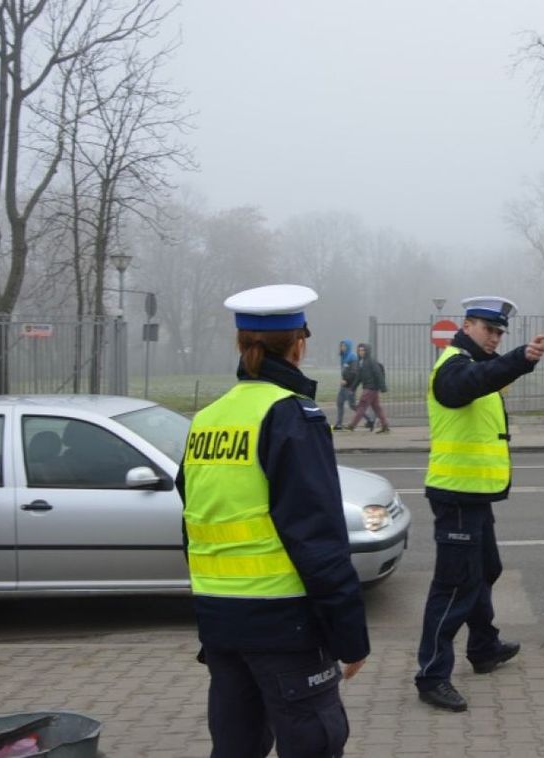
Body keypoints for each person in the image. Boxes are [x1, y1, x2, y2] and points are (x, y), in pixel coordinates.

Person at [176, 284, 369, 758]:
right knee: (314, 742)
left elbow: (193, 520)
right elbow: (317, 537)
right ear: (298, 343)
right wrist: (350, 636)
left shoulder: (207, 419)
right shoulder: (290, 415)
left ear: (242, 344)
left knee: (235, 747)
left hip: (220, 623)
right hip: (285, 625)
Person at [414, 295, 544, 712]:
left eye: (499, 333)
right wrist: (520, 358)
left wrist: (510, 363)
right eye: (489, 330)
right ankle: (432, 675)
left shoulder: (474, 367)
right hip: (455, 495)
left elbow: (486, 380)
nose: (494, 337)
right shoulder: (453, 367)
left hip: (473, 495)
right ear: (467, 325)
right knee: (455, 585)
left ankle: (485, 648)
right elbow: (471, 385)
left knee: (486, 569)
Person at [343, 342, 390, 433]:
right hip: (371, 389)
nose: (361, 352)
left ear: (367, 351)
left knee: (361, 406)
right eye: (359, 350)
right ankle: (385, 425)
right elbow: (358, 377)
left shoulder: (371, 362)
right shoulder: (362, 362)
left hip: (369, 389)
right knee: (377, 407)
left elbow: (378, 374)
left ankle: (352, 425)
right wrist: (353, 388)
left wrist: (383, 387)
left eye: (363, 350)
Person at [334, 338, 373, 431]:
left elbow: (354, 372)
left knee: (353, 405)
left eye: (344, 346)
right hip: (343, 385)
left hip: (350, 386)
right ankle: (339, 424)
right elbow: (345, 371)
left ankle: (370, 420)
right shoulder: (343, 356)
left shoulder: (352, 357)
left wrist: (346, 381)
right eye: (341, 345)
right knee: (339, 403)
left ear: (348, 347)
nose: (342, 347)